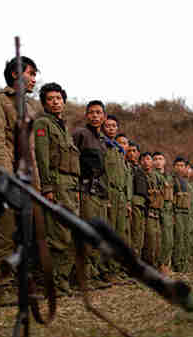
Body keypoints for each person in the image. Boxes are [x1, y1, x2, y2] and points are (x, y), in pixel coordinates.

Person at [0, 56, 39, 294]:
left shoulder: (30, 107)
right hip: (8, 177)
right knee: (5, 233)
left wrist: (35, 183)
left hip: (28, 179)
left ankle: (21, 281)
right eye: (31, 73)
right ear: (16, 74)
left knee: (25, 231)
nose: (34, 79)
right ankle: (3, 285)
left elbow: (32, 151)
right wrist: (7, 179)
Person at [33, 82, 80, 295]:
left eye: (58, 98)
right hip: (56, 182)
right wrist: (47, 187)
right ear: (44, 103)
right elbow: (42, 159)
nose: (55, 102)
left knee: (70, 233)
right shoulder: (43, 124)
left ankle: (62, 280)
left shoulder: (64, 127)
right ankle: (52, 282)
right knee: (59, 235)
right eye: (50, 99)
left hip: (70, 185)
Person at [72, 100, 109, 287]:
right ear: (87, 115)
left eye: (99, 113)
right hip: (84, 189)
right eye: (92, 112)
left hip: (98, 192)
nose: (95, 116)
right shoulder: (80, 134)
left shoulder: (102, 140)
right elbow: (72, 161)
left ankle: (93, 274)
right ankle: (82, 277)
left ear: (103, 116)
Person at [102, 115, 130, 280]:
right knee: (109, 233)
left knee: (120, 234)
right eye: (108, 126)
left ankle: (116, 269)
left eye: (114, 125)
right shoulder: (103, 145)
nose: (111, 128)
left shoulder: (119, 151)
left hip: (120, 195)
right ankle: (107, 270)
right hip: (109, 193)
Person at [153, 152, 174, 275]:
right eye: (155, 159)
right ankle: (161, 265)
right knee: (162, 239)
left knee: (169, 239)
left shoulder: (169, 177)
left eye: (160, 159)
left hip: (169, 210)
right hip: (159, 210)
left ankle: (166, 264)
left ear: (165, 161)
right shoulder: (153, 175)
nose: (158, 161)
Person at [140, 152, 162, 267]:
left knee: (157, 240)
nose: (146, 162)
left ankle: (155, 265)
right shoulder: (139, 174)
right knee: (149, 240)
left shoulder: (156, 177)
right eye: (143, 159)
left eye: (148, 159)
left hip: (156, 212)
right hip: (146, 212)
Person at [171, 157, 192, 272]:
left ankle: (184, 263)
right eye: (177, 165)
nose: (180, 168)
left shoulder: (185, 182)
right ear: (174, 167)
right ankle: (177, 264)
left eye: (182, 166)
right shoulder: (172, 179)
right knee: (178, 238)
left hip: (185, 212)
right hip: (177, 212)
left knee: (185, 237)